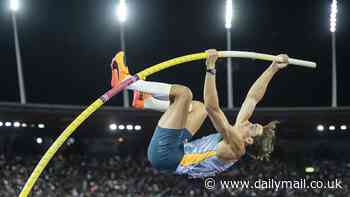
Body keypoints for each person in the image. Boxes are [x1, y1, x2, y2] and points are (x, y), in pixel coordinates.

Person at [110, 49, 288, 178]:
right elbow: (252, 98)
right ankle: (146, 101)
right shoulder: (238, 133)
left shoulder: (236, 147)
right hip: (178, 149)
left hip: (165, 156)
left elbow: (214, 108)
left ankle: (126, 82)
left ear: (249, 140)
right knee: (198, 108)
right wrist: (273, 68)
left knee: (183, 94)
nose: (250, 122)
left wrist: (211, 68)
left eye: (254, 127)